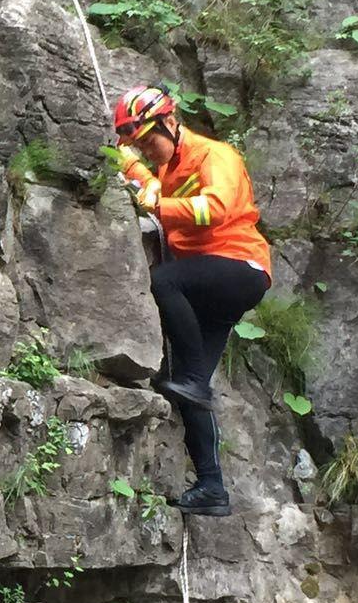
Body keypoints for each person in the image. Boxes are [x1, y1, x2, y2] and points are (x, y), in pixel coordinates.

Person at [112, 83, 271, 518]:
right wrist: (127, 165)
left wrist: (159, 206)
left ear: (169, 121)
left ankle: (196, 381)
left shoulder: (215, 156)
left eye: (150, 140)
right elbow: (153, 187)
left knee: (165, 281)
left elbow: (214, 209)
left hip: (239, 267)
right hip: (209, 281)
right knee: (184, 381)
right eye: (141, 146)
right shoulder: (166, 169)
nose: (149, 149)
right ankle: (212, 487)